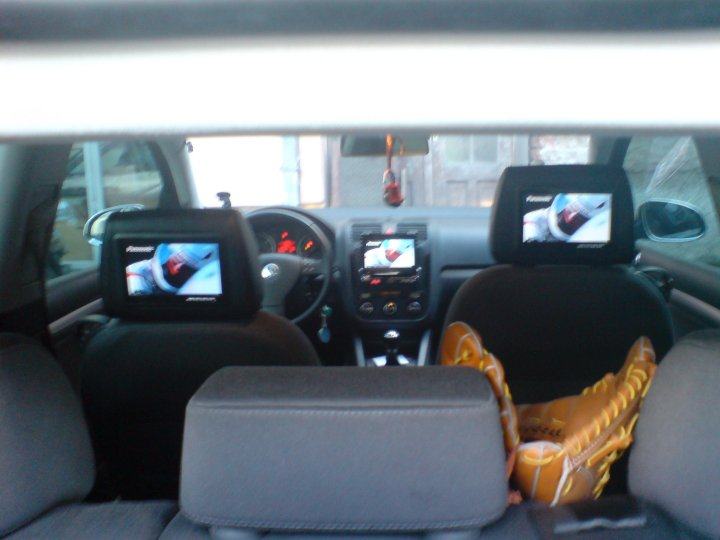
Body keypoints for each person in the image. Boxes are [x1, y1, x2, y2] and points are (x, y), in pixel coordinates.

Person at [126, 243, 221, 295]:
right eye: (175, 262)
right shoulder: (136, 277)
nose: (177, 268)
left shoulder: (210, 284)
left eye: (186, 270)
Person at [523, 193, 610, 243]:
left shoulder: (598, 236)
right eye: (570, 210)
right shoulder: (534, 222)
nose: (570, 218)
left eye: (579, 220)